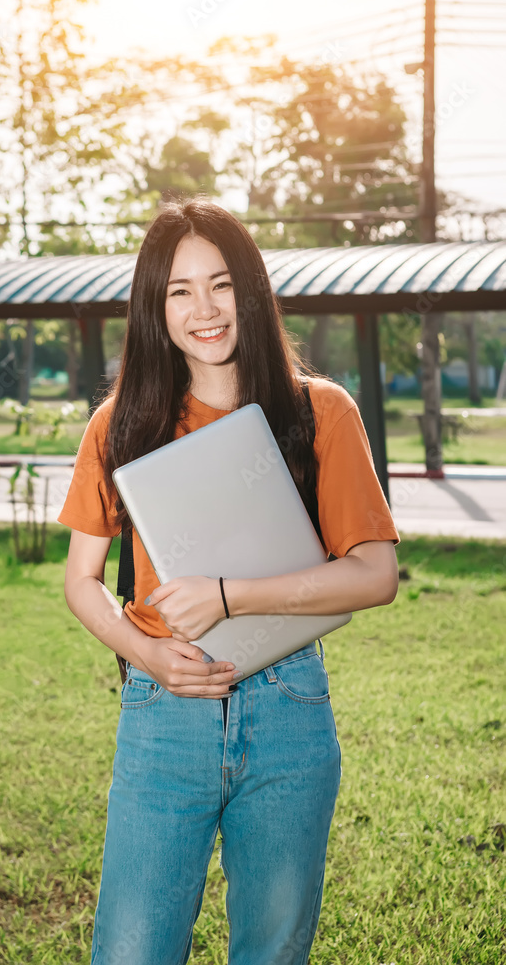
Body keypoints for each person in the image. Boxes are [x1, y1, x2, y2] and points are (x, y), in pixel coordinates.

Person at [59, 197, 400, 965]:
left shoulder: (321, 413)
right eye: (179, 290)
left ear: (252, 293)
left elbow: (375, 574)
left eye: (220, 285)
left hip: (288, 712)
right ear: (155, 307)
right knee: (130, 953)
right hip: (162, 713)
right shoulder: (120, 423)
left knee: (272, 951)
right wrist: (143, 654)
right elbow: (82, 581)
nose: (203, 310)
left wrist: (228, 596)